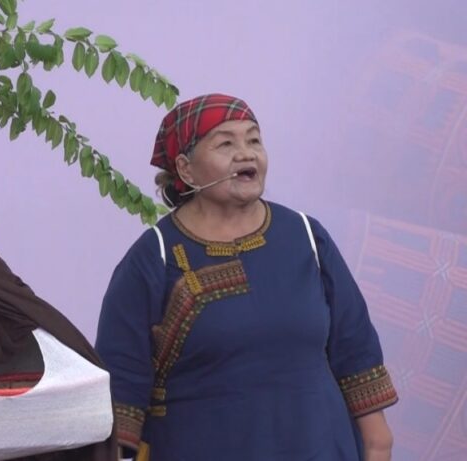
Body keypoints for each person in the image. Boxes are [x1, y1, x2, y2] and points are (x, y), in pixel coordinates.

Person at [95, 94, 398, 461]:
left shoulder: (306, 236)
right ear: (186, 169)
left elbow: (355, 348)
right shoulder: (154, 256)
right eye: (226, 144)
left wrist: (378, 444)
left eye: (254, 140)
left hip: (320, 448)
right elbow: (122, 380)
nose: (246, 154)